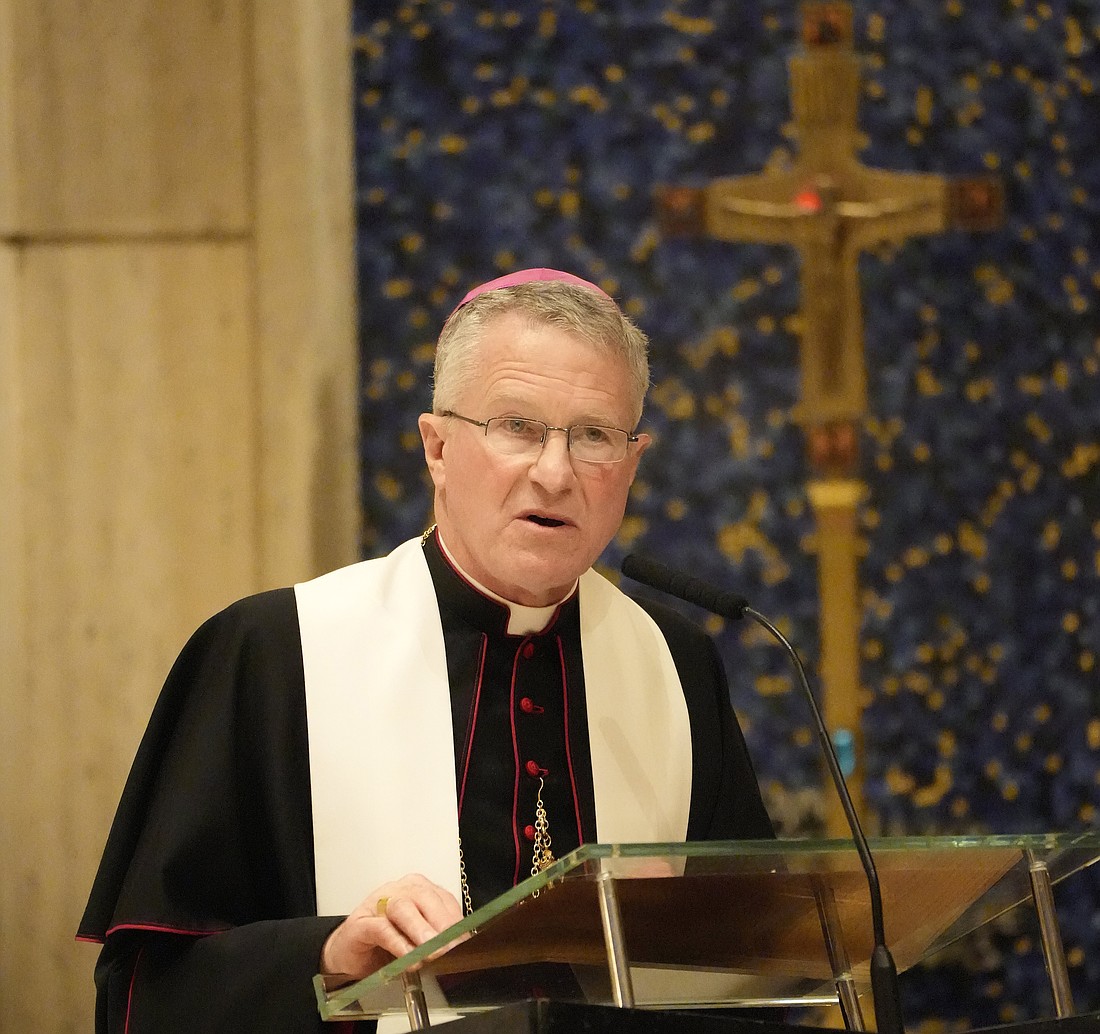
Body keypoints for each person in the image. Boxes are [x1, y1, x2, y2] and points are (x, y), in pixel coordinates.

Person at [78, 268, 773, 1033]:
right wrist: (328, 957)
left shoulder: (675, 668)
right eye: (517, 426)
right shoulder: (274, 656)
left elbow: (754, 973)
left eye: (594, 436)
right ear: (437, 448)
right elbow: (144, 994)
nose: (555, 472)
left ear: (631, 467)